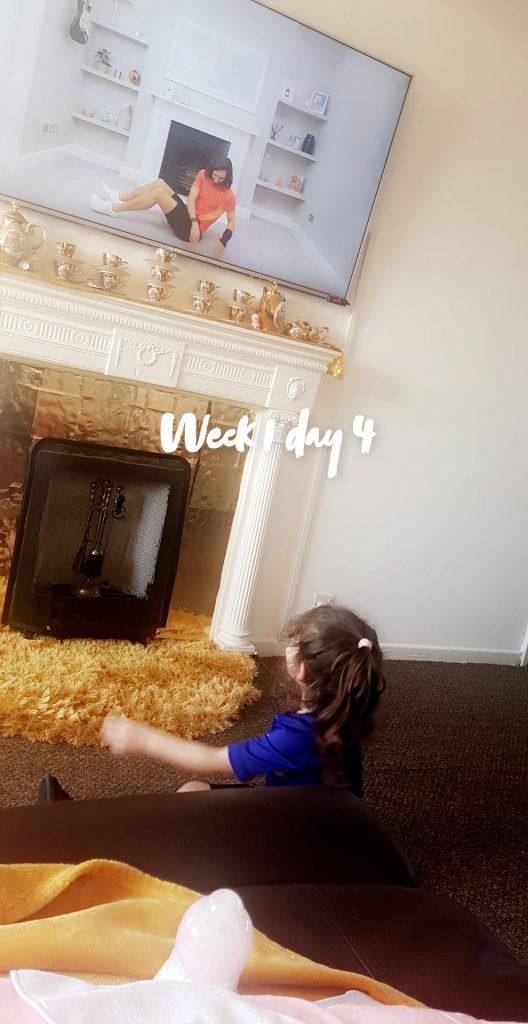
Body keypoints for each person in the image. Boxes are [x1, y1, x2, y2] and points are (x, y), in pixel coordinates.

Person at [101, 604, 386, 797]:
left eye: (295, 642)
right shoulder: (347, 707)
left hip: (298, 828)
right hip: (330, 812)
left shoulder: (298, 738)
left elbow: (213, 760)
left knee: (190, 792)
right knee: (194, 790)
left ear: (302, 670)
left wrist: (146, 740)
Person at [89, 156, 236, 257]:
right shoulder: (204, 174)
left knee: (158, 194)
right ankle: (120, 198)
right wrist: (194, 222)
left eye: (220, 178)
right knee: (160, 183)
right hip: (190, 218)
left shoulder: (229, 196)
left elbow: (231, 222)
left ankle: (113, 209)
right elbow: (191, 199)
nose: (216, 179)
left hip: (188, 232)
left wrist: (223, 241)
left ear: (227, 177)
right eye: (215, 175)